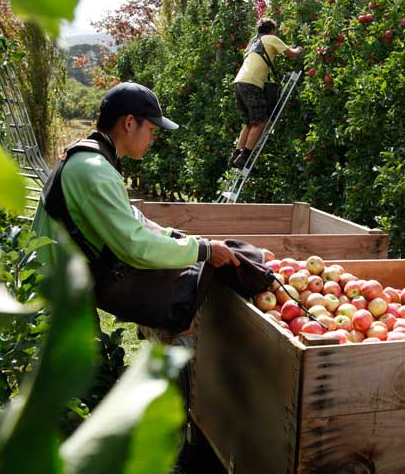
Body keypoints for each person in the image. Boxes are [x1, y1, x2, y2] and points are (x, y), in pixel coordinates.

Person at [32, 82, 270, 333]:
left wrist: (182, 238)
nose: (153, 139)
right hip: (53, 303)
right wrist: (203, 250)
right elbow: (134, 246)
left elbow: (133, 220)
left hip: (60, 288)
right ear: (129, 122)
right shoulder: (95, 171)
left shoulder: (89, 158)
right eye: (151, 129)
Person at [230, 18, 303, 168]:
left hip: (238, 83)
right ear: (272, 30)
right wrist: (300, 49)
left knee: (250, 123)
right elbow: (292, 54)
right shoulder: (270, 38)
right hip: (252, 83)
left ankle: (236, 154)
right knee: (260, 121)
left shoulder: (252, 43)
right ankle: (245, 156)